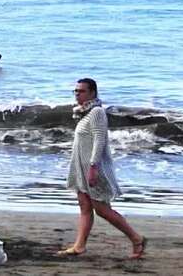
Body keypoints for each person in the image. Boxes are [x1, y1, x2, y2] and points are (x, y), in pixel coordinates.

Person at [57, 78, 146, 258]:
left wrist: (93, 166)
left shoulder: (97, 112)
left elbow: (99, 140)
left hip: (93, 167)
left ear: (92, 93)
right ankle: (79, 246)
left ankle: (136, 238)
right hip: (81, 167)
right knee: (84, 206)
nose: (77, 94)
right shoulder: (84, 113)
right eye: (75, 91)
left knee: (102, 209)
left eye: (81, 91)